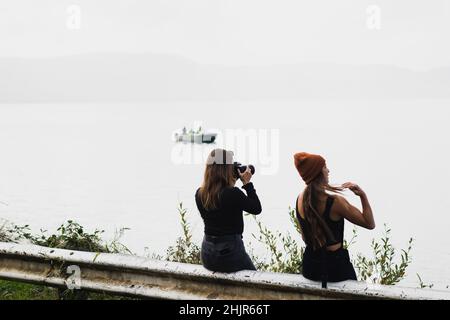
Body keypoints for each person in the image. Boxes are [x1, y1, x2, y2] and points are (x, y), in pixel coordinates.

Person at [293, 152, 375, 287]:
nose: (328, 170)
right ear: (318, 173)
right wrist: (362, 195)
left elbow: (304, 237)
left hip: (310, 268)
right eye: (325, 167)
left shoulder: (300, 199)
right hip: (336, 270)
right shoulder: (335, 202)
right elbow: (369, 223)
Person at [195, 148, 262, 272]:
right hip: (230, 254)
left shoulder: (200, 194)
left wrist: (231, 181)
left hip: (207, 254)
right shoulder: (233, 194)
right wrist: (247, 184)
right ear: (226, 169)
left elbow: (221, 202)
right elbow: (256, 208)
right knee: (255, 282)